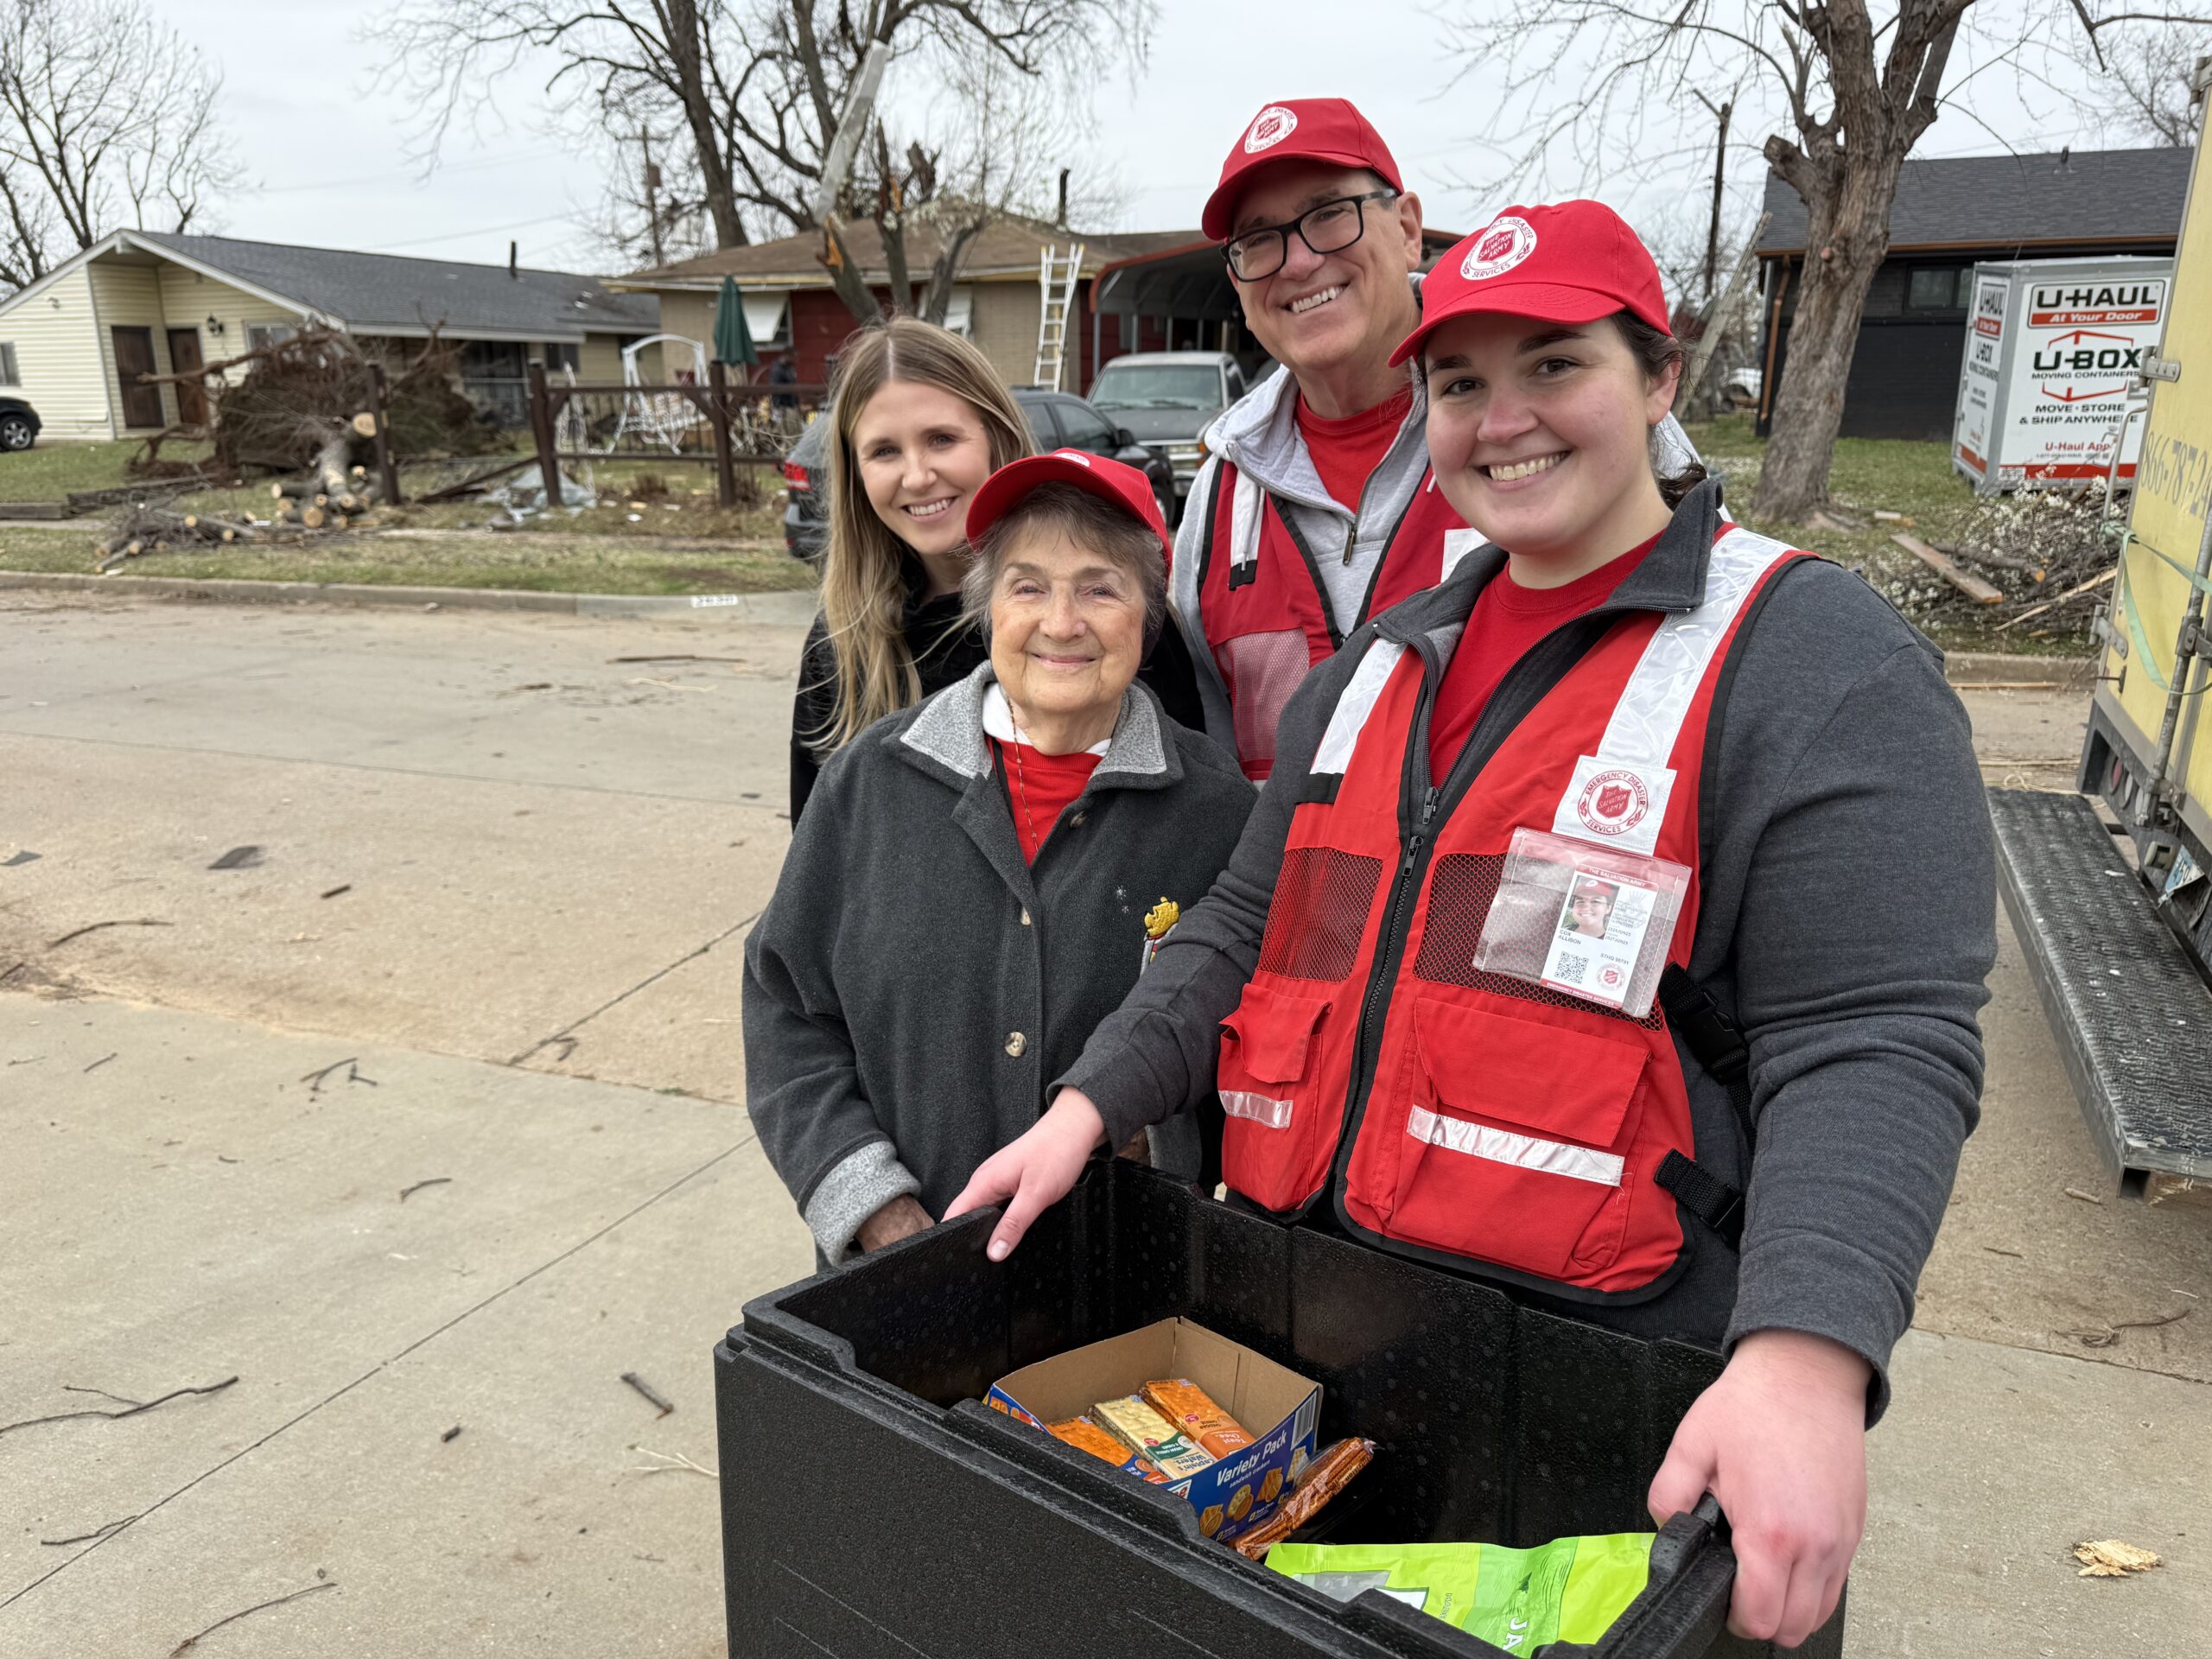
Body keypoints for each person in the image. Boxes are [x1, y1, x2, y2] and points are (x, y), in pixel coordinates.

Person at [950, 201, 1994, 1650]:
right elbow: (1250, 923)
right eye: (1459, 385)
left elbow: (1875, 1040)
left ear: (1660, 378)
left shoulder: (1814, 662)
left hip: (1613, 1393)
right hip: (1328, 1350)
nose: (1503, 421)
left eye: (1554, 365)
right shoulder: (1378, 667)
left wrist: (1810, 1364)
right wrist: (1090, 1101)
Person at [747, 450, 1254, 1264]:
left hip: (1125, 1270)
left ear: (1148, 613)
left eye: (1099, 587)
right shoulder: (869, 784)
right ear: (987, 608)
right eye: (1028, 587)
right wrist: (879, 1213)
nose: (1061, 622)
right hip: (899, 1270)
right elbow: (787, 1012)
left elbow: (1242, 1048)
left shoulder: (1217, 810)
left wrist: (1158, 1145)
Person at [1174, 99, 1698, 781]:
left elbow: (1693, 662)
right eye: (1259, 239)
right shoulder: (1221, 491)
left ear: (1406, 228)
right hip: (1281, 883)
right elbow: (1208, 751)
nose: (1298, 262)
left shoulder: (1578, 424)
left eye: (1330, 213)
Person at [790, 318, 1201, 822]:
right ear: (855, 472)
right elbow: (816, 854)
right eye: (885, 451)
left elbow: (1189, 807)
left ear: (996, 436)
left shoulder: (1111, 620)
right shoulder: (841, 645)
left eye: (942, 439)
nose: (918, 476)